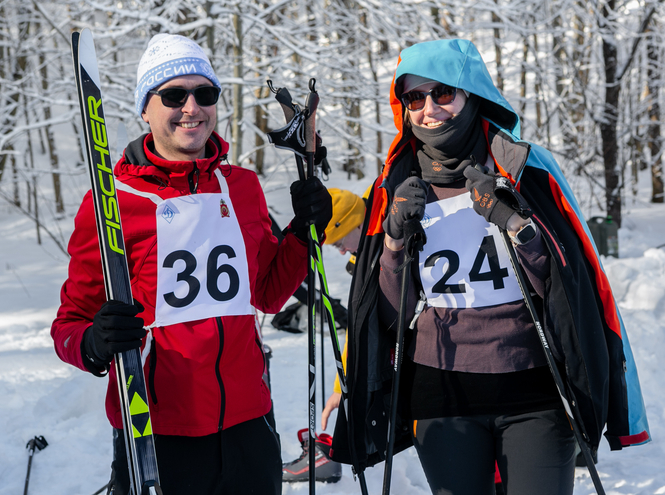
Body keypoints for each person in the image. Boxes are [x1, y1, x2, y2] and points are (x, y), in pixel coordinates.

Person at [330, 39, 650, 495]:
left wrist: (516, 224)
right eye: (414, 98)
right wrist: (395, 242)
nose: (428, 110)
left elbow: (569, 283)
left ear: (471, 93)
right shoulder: (395, 183)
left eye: (442, 93)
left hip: (534, 388)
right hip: (441, 390)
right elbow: (385, 313)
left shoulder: (524, 167)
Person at [51, 33, 331, 495]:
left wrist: (303, 231)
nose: (191, 108)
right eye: (173, 95)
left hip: (249, 423)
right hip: (157, 430)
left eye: (204, 94)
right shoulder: (110, 203)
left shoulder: (240, 186)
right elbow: (69, 325)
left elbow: (266, 293)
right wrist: (95, 343)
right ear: (145, 108)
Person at [282, 187, 365, 484]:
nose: (342, 250)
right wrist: (339, 387)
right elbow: (356, 330)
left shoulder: (384, 251)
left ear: (354, 221)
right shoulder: (366, 253)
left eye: (340, 242)